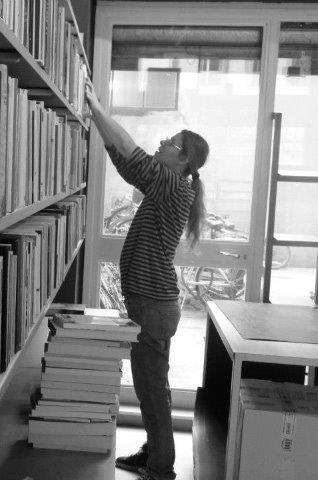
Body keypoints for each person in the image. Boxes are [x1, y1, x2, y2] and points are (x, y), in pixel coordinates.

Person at [85, 82, 209, 480]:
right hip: (154, 304)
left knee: (151, 390)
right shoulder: (166, 186)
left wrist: (97, 109)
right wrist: (98, 123)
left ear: (183, 160)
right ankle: (155, 452)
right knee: (155, 386)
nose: (162, 143)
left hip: (154, 306)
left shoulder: (174, 187)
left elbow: (133, 153)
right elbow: (127, 163)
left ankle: (160, 468)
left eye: (171, 143)